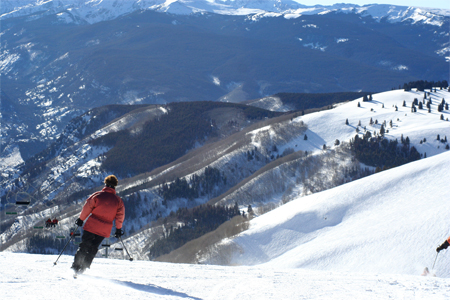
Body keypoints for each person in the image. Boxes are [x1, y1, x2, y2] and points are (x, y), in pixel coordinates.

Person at [71, 175, 125, 275]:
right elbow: (120, 216)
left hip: (91, 225)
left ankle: (75, 266)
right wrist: (118, 229)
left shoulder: (97, 195)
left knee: (84, 245)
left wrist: (81, 219)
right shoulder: (118, 201)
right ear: (115, 186)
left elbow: (87, 207)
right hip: (104, 229)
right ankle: (84, 267)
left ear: (105, 184)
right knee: (94, 247)